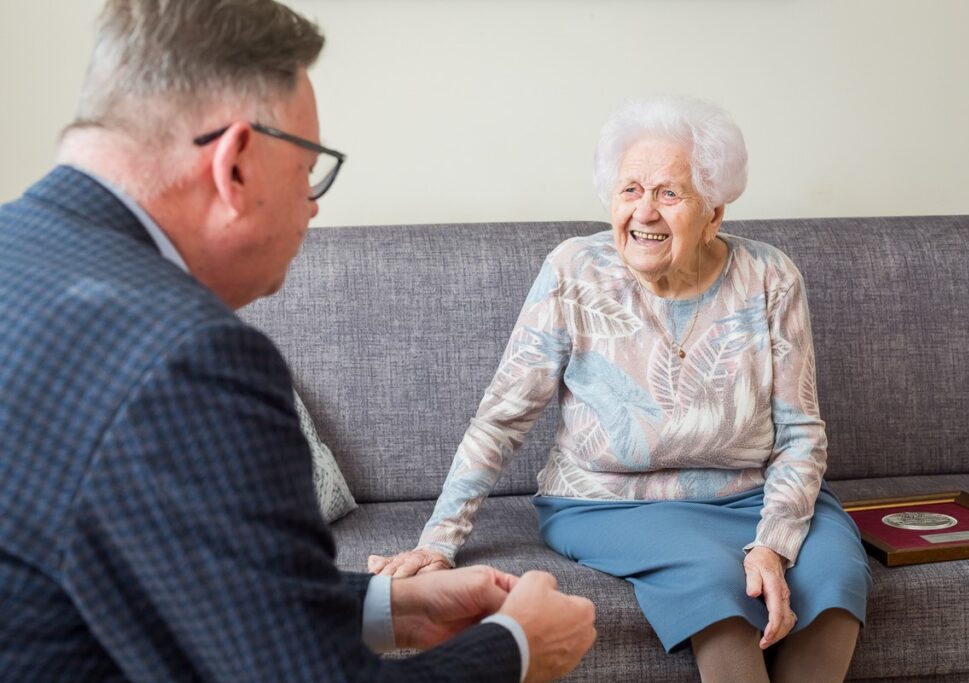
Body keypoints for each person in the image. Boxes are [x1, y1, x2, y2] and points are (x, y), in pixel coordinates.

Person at [0, 1, 595, 681]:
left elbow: (167, 574)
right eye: (309, 168)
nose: (313, 205)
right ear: (234, 164)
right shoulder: (189, 358)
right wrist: (519, 648)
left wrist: (390, 605)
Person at [370, 95, 872, 682]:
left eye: (669, 193)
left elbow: (800, 432)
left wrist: (773, 542)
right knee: (716, 580)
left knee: (835, 575)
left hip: (753, 495)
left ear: (713, 212)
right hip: (610, 500)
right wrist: (439, 541)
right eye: (630, 190)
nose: (645, 213)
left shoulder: (770, 277)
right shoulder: (574, 272)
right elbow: (502, 419)